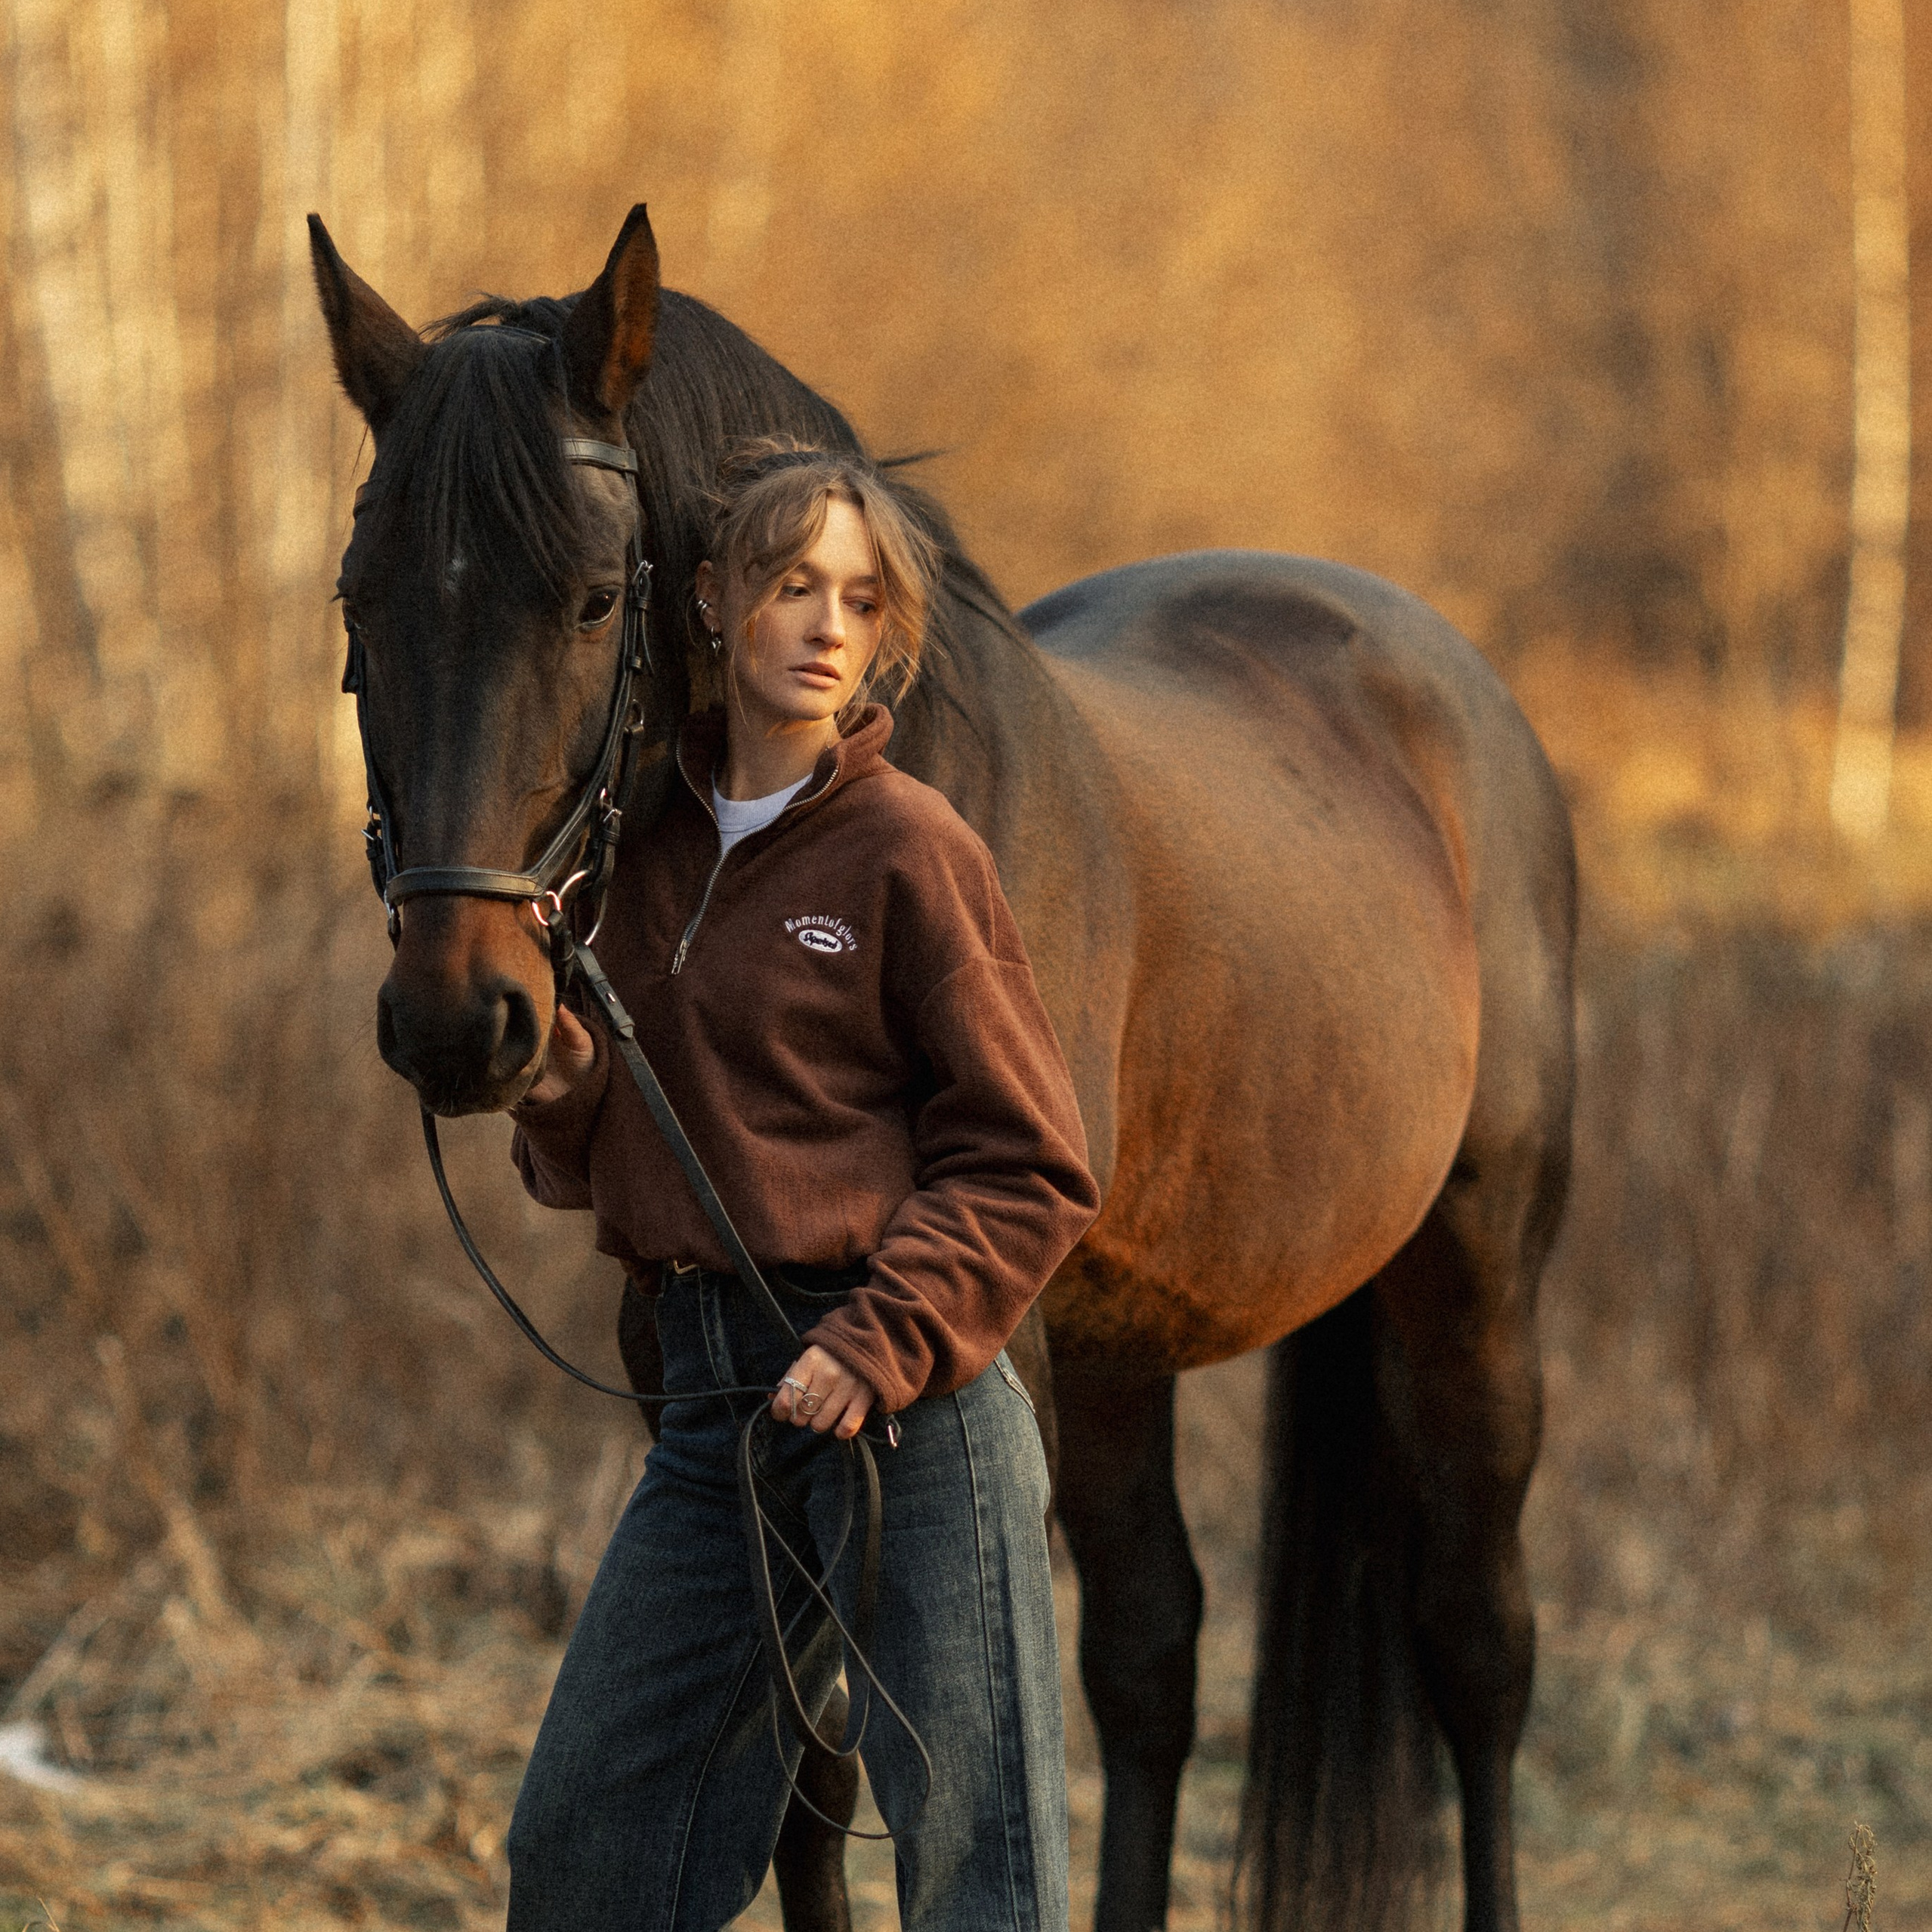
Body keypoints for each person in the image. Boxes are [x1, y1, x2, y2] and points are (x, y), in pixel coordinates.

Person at [502, 437, 1100, 1932]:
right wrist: (568, 1093)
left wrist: (882, 1336)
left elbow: (1031, 1162)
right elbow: (596, 1159)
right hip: (714, 1422)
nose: (829, 625)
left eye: (858, 596)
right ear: (708, 602)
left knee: (979, 1878)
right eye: (790, 586)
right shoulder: (629, 855)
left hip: (913, 1411)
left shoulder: (909, 848)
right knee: (584, 1857)